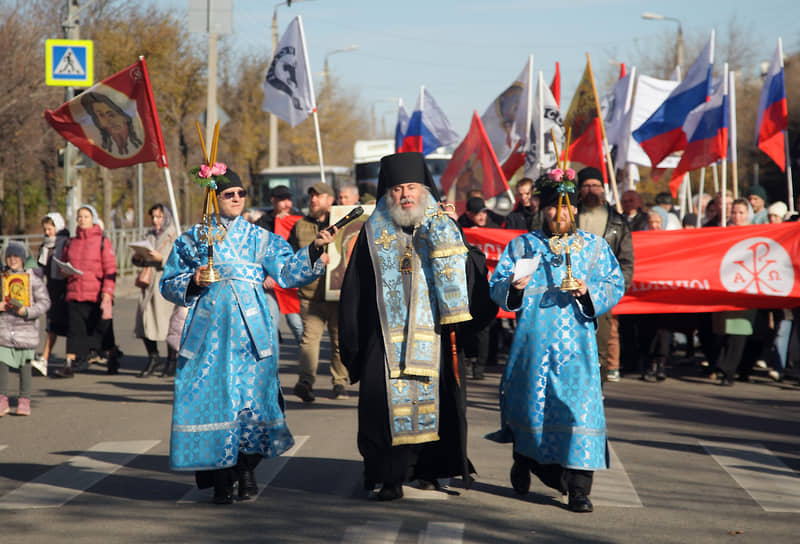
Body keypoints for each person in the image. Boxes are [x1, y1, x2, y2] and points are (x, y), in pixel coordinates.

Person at [160, 166, 335, 505]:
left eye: (241, 193)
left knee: (251, 406)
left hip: (251, 338)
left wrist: (314, 249)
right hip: (208, 339)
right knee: (216, 407)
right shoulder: (193, 239)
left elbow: (287, 271)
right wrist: (193, 279)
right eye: (229, 194)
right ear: (214, 198)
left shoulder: (259, 237)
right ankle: (221, 481)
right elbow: (169, 283)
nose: (237, 198)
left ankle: (246, 473)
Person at [339, 152, 488, 501]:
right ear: (387, 193)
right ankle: (388, 477)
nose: (405, 194)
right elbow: (356, 289)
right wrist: (356, 340)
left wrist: (454, 244)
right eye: (397, 189)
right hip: (383, 338)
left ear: (424, 190)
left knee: (439, 402)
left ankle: (429, 471)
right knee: (381, 409)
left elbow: (470, 271)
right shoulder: (372, 232)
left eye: (411, 187)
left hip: (434, 335)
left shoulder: (443, 225)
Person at [488, 170, 625, 513]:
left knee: (580, 414)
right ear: (542, 209)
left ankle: (579, 489)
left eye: (564, 207)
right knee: (533, 410)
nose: (558, 214)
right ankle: (524, 461)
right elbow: (497, 286)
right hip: (533, 346)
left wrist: (588, 292)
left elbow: (615, 283)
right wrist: (513, 288)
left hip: (578, 350)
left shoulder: (594, 247)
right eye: (551, 207)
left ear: (575, 209)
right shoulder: (523, 246)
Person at [289, 182, 349, 402]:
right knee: (309, 341)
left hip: (338, 294)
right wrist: (311, 256)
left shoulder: (342, 221)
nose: (313, 199)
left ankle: (340, 383)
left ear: (330, 200)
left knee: (338, 342)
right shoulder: (300, 226)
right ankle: (306, 382)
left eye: (319, 195)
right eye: (311, 196)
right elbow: (291, 256)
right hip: (310, 294)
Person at [575, 167, 633, 383]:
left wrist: (614, 290)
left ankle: (596, 392)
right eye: (587, 185)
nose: (592, 190)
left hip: (600, 294)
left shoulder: (617, 221)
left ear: (603, 188)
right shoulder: (569, 216)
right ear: (580, 189)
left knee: (599, 349)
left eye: (596, 185)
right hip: (570, 292)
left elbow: (626, 261)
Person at [54, 205, 117, 378]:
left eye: (86, 216)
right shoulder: (71, 242)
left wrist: (108, 292)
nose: (82, 220)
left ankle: (112, 356)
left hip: (96, 294)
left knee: (103, 330)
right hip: (75, 292)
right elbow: (63, 264)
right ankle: (68, 364)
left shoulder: (102, 241)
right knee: (74, 330)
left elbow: (110, 268)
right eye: (79, 216)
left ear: (93, 219)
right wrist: (65, 271)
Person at [1, 241, 51, 416]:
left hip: (26, 331)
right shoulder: (2, 278)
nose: (13, 260)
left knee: (25, 367)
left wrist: (27, 311)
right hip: (3, 330)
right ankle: (2, 400)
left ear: (23, 258)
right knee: (2, 364)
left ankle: (24, 400)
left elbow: (45, 302)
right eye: (9, 256)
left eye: (16, 256)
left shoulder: (32, 279)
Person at [133, 204, 178, 377]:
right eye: (153, 217)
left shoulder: (174, 235)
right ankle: (153, 357)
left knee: (167, 323)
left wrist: (162, 259)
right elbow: (141, 257)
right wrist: (138, 257)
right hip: (148, 283)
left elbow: (180, 260)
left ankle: (172, 360)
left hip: (164, 283)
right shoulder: (149, 235)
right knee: (144, 321)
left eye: (159, 217)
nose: (155, 220)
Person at [256, 185, 304, 345]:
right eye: (282, 200)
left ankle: (308, 357)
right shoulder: (263, 223)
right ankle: (272, 358)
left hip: (289, 282)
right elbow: (258, 253)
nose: (286, 204)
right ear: (273, 201)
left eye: (288, 200)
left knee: (296, 323)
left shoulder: (299, 220)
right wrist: (265, 275)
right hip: (269, 283)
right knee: (271, 323)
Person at [33, 212, 70, 376]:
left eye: (50, 229)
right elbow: (40, 268)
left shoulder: (67, 243)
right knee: (52, 325)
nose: (48, 233)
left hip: (66, 288)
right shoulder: (45, 246)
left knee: (69, 326)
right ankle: (45, 359)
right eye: (45, 229)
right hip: (51, 289)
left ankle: (67, 359)